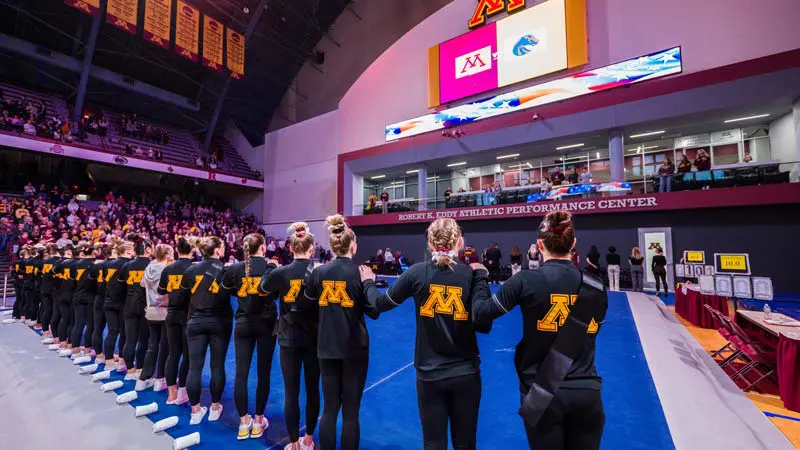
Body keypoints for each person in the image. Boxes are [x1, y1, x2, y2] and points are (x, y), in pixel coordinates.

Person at [472, 210, 608, 450]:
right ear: (574, 244)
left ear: (539, 245)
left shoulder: (524, 281)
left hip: (542, 391)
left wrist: (481, 277)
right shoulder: (596, 287)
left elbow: (482, 314)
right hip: (587, 391)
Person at [359, 218, 488, 450]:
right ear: (459, 242)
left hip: (430, 374)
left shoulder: (417, 273)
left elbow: (379, 304)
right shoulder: (471, 276)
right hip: (466, 373)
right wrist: (481, 279)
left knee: (433, 443)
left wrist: (368, 282)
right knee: (466, 444)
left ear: (430, 243)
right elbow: (484, 323)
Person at [303, 214, 379, 450]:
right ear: (353, 246)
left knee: (329, 407)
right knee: (350, 411)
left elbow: (307, 306)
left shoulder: (318, 273)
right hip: (354, 347)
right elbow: (374, 310)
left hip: (326, 346)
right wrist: (369, 283)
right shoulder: (359, 273)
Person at [259, 223, 320, 450]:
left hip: (288, 337)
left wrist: (270, 266)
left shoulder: (281, 272)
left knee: (291, 391)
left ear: (291, 249)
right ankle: (309, 439)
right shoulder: (319, 273)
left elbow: (264, 289)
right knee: (313, 388)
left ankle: (294, 443)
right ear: (312, 250)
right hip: (313, 336)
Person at [221, 233, 276, 440]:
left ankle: (244, 423)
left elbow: (226, 289)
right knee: (264, 372)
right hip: (266, 323)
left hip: (243, 323)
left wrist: (243, 292)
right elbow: (277, 293)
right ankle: (259, 420)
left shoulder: (235, 268)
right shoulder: (270, 268)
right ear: (262, 247)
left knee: (241, 374)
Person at [182, 236, 233, 425]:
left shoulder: (190, 269)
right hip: (219, 321)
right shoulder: (225, 270)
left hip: (195, 321)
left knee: (194, 366)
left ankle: (195, 410)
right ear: (217, 251)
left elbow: (186, 292)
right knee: (217, 365)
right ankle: (214, 407)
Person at [158, 237, 195, 405]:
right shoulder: (194, 268)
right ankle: (182, 392)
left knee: (173, 353)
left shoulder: (168, 268)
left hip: (171, 313)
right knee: (187, 355)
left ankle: (171, 393)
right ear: (193, 250)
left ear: (177, 250)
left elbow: (161, 290)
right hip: (188, 315)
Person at [136, 243, 173, 392]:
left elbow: (143, 284)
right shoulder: (166, 269)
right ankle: (160, 379)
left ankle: (143, 378)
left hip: (151, 310)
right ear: (168, 254)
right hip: (164, 310)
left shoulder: (149, 267)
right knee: (164, 347)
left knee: (152, 346)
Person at [120, 234, 154, 380]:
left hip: (129, 304)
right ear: (147, 249)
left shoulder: (127, 265)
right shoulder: (151, 266)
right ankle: (139, 369)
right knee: (143, 340)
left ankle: (130, 370)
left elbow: (121, 285)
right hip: (144, 306)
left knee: (130, 339)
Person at [103, 238, 132, 370]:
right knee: (124, 333)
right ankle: (122, 361)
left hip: (108, 300)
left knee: (112, 331)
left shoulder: (106, 264)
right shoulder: (129, 265)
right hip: (123, 302)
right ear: (127, 250)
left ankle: (108, 361)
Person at [70, 242, 99, 357]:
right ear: (92, 253)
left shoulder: (74, 264)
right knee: (90, 324)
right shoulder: (94, 265)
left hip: (77, 295)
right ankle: (87, 348)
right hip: (90, 296)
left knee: (78, 323)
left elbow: (71, 280)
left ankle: (75, 349)